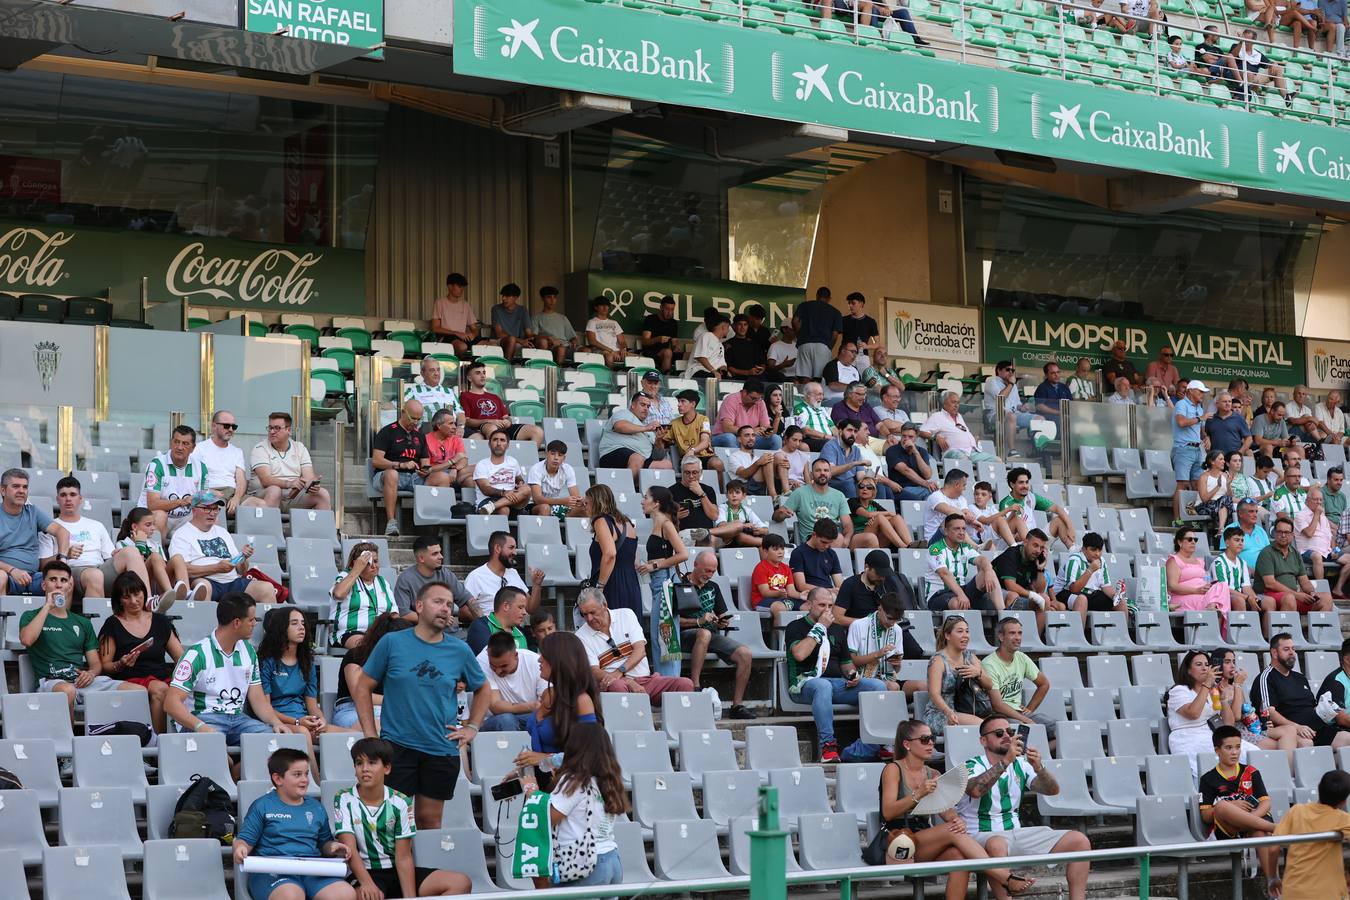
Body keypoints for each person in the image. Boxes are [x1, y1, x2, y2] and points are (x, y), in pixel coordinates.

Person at [354, 581, 490, 830]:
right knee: (392, 822)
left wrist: (472, 727)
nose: (446, 609)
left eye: (450, 604)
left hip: (441, 749)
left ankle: (424, 870)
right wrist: (370, 735)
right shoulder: (392, 643)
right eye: (438, 602)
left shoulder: (459, 650)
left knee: (429, 822)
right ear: (418, 605)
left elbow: (483, 689)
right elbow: (362, 686)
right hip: (397, 746)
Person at [879, 720, 1033, 896]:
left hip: (922, 840)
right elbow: (888, 812)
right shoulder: (893, 769)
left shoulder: (933, 774)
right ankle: (1004, 877)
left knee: (960, 858)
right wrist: (919, 794)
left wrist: (956, 820)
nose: (931, 743)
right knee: (952, 830)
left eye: (932, 738)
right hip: (896, 842)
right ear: (907, 744)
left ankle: (1002, 878)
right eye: (924, 739)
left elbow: (944, 809)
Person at [957, 715, 1091, 900]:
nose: (1006, 736)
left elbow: (1052, 790)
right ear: (983, 740)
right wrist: (1005, 762)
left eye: (1009, 732)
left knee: (1079, 841)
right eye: (998, 733)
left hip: (1015, 833)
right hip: (979, 836)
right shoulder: (971, 765)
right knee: (997, 843)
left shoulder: (1020, 763)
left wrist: (1039, 768)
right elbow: (976, 790)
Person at [335, 737, 471, 898]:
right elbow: (349, 850)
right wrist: (367, 884)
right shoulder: (343, 798)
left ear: (386, 768)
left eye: (372, 763)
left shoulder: (401, 801)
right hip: (365, 873)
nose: (365, 769)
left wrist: (410, 898)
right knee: (361, 896)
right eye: (359, 763)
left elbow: (404, 857)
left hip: (397, 872)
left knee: (460, 882)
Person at [21, 560, 137, 725]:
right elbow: (27, 639)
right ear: (43, 585)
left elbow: (95, 664)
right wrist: (47, 606)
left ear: (69, 585)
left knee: (137, 691)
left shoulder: (82, 622)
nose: (58, 585)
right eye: (53, 580)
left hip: (82, 682)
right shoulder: (31, 616)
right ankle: (68, 745)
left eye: (63, 580)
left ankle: (135, 742)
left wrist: (90, 674)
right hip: (52, 682)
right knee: (67, 691)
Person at [165, 592, 288, 742]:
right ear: (236, 623)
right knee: (216, 748)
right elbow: (171, 703)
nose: (255, 623)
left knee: (273, 741)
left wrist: (276, 723)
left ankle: (235, 766)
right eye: (251, 619)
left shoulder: (249, 652)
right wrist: (202, 728)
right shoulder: (197, 654)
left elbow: (258, 699)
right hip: (202, 719)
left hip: (238, 720)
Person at [520, 722, 628, 891]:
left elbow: (549, 817)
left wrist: (531, 789)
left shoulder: (574, 780)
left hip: (585, 864)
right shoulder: (608, 780)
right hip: (612, 860)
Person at [235, 749, 356, 900]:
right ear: (278, 779)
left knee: (345, 894)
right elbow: (244, 840)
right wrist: (240, 848)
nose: (305, 779)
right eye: (297, 774)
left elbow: (323, 843)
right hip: (272, 872)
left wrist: (332, 847)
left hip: (311, 871)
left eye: (306, 774)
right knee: (291, 895)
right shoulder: (262, 805)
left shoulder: (316, 807)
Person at [787, 587, 887, 761]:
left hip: (836, 684)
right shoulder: (795, 626)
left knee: (878, 686)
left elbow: (846, 663)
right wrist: (819, 627)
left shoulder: (837, 629)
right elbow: (799, 654)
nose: (827, 610)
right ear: (809, 605)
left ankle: (876, 742)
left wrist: (852, 675)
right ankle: (828, 746)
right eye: (821, 605)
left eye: (830, 606)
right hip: (805, 683)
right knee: (823, 685)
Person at [98, 571, 183, 732]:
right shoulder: (112, 624)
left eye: (137, 594)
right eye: (126, 597)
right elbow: (106, 666)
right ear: (119, 600)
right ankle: (158, 746)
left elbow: (181, 658)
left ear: (144, 592)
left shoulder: (161, 621)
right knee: (160, 689)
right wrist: (121, 663)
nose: (134, 601)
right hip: (129, 680)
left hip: (161, 679)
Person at [576, 587, 694, 701]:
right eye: (584, 614)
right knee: (617, 687)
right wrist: (627, 681)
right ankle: (634, 719)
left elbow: (640, 651)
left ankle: (674, 721)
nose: (589, 618)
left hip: (645, 681)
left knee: (685, 684)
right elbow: (594, 671)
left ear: (605, 605)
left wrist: (620, 672)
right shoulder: (581, 635)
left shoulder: (626, 615)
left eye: (592, 612)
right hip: (615, 684)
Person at [1198, 726, 1279, 885]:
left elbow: (1265, 801)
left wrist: (1250, 818)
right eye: (1229, 748)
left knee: (1259, 831)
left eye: (1238, 747)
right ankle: (1278, 829)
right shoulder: (1208, 779)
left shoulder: (1251, 771)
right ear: (1217, 750)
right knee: (1222, 806)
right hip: (1229, 828)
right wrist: (1232, 805)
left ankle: (1274, 884)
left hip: (1256, 823)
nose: (1234, 752)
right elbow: (1206, 815)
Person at [680, 551, 755, 719]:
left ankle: (737, 705)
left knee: (746, 654)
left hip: (709, 634)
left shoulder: (713, 587)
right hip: (684, 636)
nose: (709, 575)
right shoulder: (679, 585)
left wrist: (722, 622)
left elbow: (722, 614)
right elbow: (672, 621)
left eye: (713, 571)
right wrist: (699, 621)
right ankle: (695, 687)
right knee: (705, 633)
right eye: (706, 570)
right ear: (695, 565)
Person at [169, 490, 276, 603]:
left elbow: (241, 571)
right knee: (202, 586)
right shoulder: (181, 534)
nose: (212, 513)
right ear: (194, 509)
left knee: (267, 588)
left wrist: (243, 557)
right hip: (206, 580)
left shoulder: (222, 532)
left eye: (215, 509)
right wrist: (216, 568)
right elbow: (183, 569)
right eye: (207, 508)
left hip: (232, 581)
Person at [1252, 632, 1345, 749]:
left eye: (1293, 649)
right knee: (1307, 744)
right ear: (1274, 653)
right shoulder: (1266, 678)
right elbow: (1268, 712)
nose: (1292, 653)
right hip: (1292, 731)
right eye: (1286, 649)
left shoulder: (1300, 677)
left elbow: (1312, 706)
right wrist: (1297, 727)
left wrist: (1326, 709)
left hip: (1317, 728)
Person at [372, 399, 449, 535]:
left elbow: (425, 462)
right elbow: (377, 461)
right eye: (412, 418)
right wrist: (399, 464)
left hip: (414, 477)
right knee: (392, 474)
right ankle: (391, 522)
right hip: (388, 475)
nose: (415, 423)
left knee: (442, 478)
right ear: (403, 412)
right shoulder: (388, 431)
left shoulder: (419, 436)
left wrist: (425, 470)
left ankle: (435, 524)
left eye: (419, 420)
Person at [1272, 770, 1350, 900]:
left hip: (1293, 892)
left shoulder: (1296, 811)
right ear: (1343, 801)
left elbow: (1273, 848)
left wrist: (1272, 878)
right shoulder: (1343, 819)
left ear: (1319, 788)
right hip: (1328, 894)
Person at [258, 607, 332, 745]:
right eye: (294, 623)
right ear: (281, 628)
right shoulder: (266, 662)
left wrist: (321, 720)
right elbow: (265, 708)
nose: (301, 628)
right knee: (303, 733)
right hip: (279, 722)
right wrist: (297, 722)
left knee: (353, 734)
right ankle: (312, 768)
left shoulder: (306, 661)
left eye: (303, 623)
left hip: (305, 721)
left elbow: (312, 705)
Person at [637, 486, 688, 677]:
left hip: (665, 582)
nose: (642, 501)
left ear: (656, 503)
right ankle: (666, 681)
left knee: (665, 636)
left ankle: (671, 683)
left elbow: (683, 554)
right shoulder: (658, 523)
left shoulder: (666, 524)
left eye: (646, 497)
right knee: (660, 635)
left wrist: (655, 566)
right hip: (658, 582)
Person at [332, 614, 411, 731]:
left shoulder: (405, 662)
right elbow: (359, 695)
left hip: (392, 710)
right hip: (352, 709)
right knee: (385, 726)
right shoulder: (356, 655)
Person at [1212, 647, 1300, 752]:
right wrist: (1238, 685)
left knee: (1294, 733)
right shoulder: (1216, 689)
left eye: (1234, 662)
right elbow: (1236, 716)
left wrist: (1261, 722)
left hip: (1252, 728)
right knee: (1283, 746)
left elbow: (1245, 711)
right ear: (1217, 664)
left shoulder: (1234, 687)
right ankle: (1286, 767)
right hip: (1237, 733)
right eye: (1227, 662)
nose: (1233, 666)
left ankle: (1289, 767)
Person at [46, 475, 119, 600]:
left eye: (73, 495)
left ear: (80, 499)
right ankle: (97, 620)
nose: (68, 499)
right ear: (57, 499)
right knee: (94, 575)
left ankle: (149, 604)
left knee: (131, 553)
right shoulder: (50, 528)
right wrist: (64, 554)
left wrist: (119, 554)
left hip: (100, 569)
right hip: (71, 571)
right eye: (63, 495)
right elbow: (43, 564)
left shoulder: (97, 525)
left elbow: (109, 556)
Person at [846, 590, 924, 701]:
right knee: (893, 687)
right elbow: (851, 661)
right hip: (863, 678)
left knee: (923, 686)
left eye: (896, 620)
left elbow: (896, 670)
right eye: (889, 618)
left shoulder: (897, 629)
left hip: (887, 678)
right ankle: (892, 717)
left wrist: (897, 664)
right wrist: (877, 654)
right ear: (880, 609)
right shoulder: (858, 625)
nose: (892, 623)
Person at [925, 616, 994, 736]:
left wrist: (978, 673)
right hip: (941, 713)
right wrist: (948, 712)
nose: (965, 635)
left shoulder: (970, 656)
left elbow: (989, 684)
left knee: (995, 725)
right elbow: (934, 694)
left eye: (967, 631)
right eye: (960, 631)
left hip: (969, 710)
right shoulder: (938, 660)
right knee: (983, 726)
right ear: (947, 635)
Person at [138, 425, 209, 540]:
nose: (179, 447)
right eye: (176, 442)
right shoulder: (157, 464)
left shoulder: (201, 467)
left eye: (185, 444)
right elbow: (152, 504)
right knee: (161, 515)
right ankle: (156, 555)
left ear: (193, 447)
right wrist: (182, 502)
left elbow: (202, 501)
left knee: (211, 518)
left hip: (184, 518)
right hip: (153, 516)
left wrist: (212, 496)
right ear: (171, 443)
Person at [250, 412, 333, 511]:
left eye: (277, 428)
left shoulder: (300, 448)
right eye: (270, 428)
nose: (272, 432)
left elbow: (308, 477)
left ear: (288, 430)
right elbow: (266, 480)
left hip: (293, 495)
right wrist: (289, 484)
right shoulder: (260, 448)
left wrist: (312, 484)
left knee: (322, 494)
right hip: (264, 494)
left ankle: (319, 527)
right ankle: (267, 526)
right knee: (274, 490)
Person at [984, 617, 1054, 730]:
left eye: (1019, 633)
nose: (1017, 638)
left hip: (1020, 713)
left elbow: (1044, 684)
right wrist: (1026, 719)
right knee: (1023, 728)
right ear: (1001, 636)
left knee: (1056, 727)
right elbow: (997, 705)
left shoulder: (1022, 657)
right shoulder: (989, 664)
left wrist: (1029, 710)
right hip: (1000, 716)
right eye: (1012, 633)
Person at [1168, 650, 1232, 771]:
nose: (1204, 668)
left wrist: (1223, 699)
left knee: (1251, 751)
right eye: (1199, 665)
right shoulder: (1179, 691)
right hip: (1188, 738)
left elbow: (1229, 724)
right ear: (1188, 670)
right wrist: (1207, 684)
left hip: (1212, 736)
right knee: (1221, 759)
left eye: (1207, 665)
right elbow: (1193, 714)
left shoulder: (1211, 691)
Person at [925, 514, 1004, 612]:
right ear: (946, 531)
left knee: (989, 571)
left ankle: (1003, 614)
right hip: (939, 594)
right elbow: (944, 574)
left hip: (963, 590)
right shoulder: (935, 549)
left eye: (963, 529)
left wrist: (987, 571)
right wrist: (961, 594)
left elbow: (982, 560)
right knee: (958, 604)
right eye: (957, 529)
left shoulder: (965, 547)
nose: (962, 532)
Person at [586, 483, 642, 619]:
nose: (585, 508)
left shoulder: (601, 521)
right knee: (630, 631)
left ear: (595, 502)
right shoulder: (627, 523)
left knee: (610, 630)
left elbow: (610, 553)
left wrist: (600, 587)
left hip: (611, 582)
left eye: (587, 503)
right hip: (631, 582)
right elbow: (635, 558)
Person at [1256, 519, 1334, 613]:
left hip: (1292, 596)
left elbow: (1304, 581)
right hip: (1269, 595)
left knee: (1326, 598)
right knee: (1290, 598)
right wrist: (1296, 595)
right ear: (1274, 533)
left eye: (1286, 532)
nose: (1283, 535)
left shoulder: (1295, 553)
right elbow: (1270, 583)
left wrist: (1311, 593)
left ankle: (1319, 627)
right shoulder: (1267, 552)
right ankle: (1285, 627)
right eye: (1280, 532)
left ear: (1292, 535)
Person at [392, 536, 476, 623]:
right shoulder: (406, 579)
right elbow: (403, 614)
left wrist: (484, 622)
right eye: (435, 554)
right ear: (421, 558)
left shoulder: (446, 574)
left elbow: (468, 600)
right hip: (422, 634)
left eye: (440, 552)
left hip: (451, 632)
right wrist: (435, 620)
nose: (441, 556)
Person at [191, 409, 260, 513]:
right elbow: (192, 478)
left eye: (234, 427)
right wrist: (208, 491)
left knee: (261, 505)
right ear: (214, 426)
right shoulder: (199, 449)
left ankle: (241, 528)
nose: (231, 429)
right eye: (226, 426)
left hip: (232, 493)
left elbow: (241, 481)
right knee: (217, 505)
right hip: (211, 492)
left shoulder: (237, 451)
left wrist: (236, 498)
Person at [332, 542, 398, 651]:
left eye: (376, 561)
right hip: (351, 632)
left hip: (381, 633)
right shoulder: (346, 577)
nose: (374, 566)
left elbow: (394, 613)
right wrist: (356, 570)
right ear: (356, 564)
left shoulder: (383, 582)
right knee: (369, 645)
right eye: (367, 563)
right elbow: (338, 594)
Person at [113, 506, 187, 604]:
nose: (153, 528)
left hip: (159, 583)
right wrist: (140, 545)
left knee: (177, 558)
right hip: (138, 585)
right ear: (134, 527)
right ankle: (170, 593)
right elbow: (134, 569)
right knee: (155, 557)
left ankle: (187, 593)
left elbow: (163, 567)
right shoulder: (122, 544)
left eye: (153, 524)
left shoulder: (155, 544)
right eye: (148, 525)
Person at [776, 458, 857, 546]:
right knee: (838, 538)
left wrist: (847, 539)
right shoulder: (800, 493)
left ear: (830, 474)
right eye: (818, 470)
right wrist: (782, 514)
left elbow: (848, 524)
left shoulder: (839, 495)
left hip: (833, 539)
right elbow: (776, 516)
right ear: (811, 474)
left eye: (826, 470)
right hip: (810, 540)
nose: (822, 473)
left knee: (839, 538)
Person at [477, 630, 546, 733]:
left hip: (527, 717)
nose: (498, 671)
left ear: (516, 655)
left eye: (504, 666)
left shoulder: (534, 661)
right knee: (506, 720)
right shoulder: (482, 660)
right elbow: (495, 706)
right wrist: (532, 706)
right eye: (493, 666)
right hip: (494, 721)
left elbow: (545, 705)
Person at [460, 361, 544, 445]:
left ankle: (528, 458)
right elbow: (467, 421)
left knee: (537, 431)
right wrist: (490, 421)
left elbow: (506, 417)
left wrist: (508, 422)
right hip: (484, 428)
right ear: (470, 378)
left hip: (503, 428)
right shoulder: (465, 396)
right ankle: (497, 457)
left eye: (484, 373)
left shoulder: (495, 397)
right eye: (478, 373)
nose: (482, 376)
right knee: (492, 429)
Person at [464, 531, 542, 618]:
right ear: (497, 548)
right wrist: (488, 623)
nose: (515, 553)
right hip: (489, 629)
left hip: (514, 629)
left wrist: (536, 585)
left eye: (515, 548)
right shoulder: (476, 576)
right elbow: (463, 611)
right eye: (511, 548)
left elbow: (530, 609)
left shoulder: (513, 573)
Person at [1053, 532, 1124, 623]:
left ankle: (1122, 636)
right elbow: (1074, 589)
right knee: (1082, 599)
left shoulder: (1101, 561)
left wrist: (1116, 596)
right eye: (1093, 550)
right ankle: (1078, 636)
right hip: (1063, 593)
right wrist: (1090, 570)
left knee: (1120, 603)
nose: (1097, 554)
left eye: (1099, 550)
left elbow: (1106, 586)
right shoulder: (1074, 560)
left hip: (1088, 594)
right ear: (1084, 549)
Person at [1166, 527, 1232, 624]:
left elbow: (1205, 580)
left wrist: (1207, 587)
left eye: (1195, 540)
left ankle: (1211, 609)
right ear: (1179, 542)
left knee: (1222, 585)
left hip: (1201, 594)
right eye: (1189, 539)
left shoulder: (1200, 561)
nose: (1193, 542)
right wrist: (1196, 590)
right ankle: (1214, 627)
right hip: (1183, 597)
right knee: (1218, 603)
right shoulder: (1174, 560)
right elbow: (1172, 586)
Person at [999, 467, 1076, 549]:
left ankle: (1073, 551)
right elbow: (1010, 533)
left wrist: (1071, 528)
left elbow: (1057, 509)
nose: (1025, 486)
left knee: (1059, 520)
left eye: (1027, 482)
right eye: (1021, 482)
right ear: (1012, 484)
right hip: (1021, 545)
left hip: (1037, 539)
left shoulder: (1031, 497)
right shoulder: (1005, 503)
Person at [597, 392, 671, 477]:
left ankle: (644, 489)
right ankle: (626, 488)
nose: (646, 409)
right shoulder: (624, 413)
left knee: (666, 465)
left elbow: (658, 457)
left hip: (641, 458)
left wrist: (658, 440)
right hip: (613, 453)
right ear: (633, 405)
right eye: (642, 405)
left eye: (648, 406)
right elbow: (620, 426)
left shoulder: (649, 430)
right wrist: (646, 428)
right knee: (637, 458)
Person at [1295, 486, 1350, 591]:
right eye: (1316, 499)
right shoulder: (1300, 516)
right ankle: (1321, 590)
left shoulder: (1323, 517)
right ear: (1307, 501)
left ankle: (1337, 589)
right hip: (1306, 551)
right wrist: (1316, 514)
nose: (1319, 502)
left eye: (1320, 500)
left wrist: (1334, 550)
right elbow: (1309, 533)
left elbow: (1330, 537)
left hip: (1326, 551)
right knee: (1316, 556)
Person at [1172, 380, 1211, 525]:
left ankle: (1192, 517)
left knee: (1197, 484)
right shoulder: (1181, 404)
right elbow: (1181, 422)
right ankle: (1177, 519)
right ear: (1190, 391)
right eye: (1200, 391)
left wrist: (1206, 437)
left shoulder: (1199, 408)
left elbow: (1200, 430)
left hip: (1197, 449)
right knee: (1181, 484)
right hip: (1183, 448)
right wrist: (1200, 418)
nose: (1202, 395)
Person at [993, 531, 1053, 625]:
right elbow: (1010, 585)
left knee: (1044, 599)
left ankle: (1035, 638)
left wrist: (1040, 569)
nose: (1038, 551)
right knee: (1013, 596)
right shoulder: (1011, 554)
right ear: (1025, 542)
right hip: (993, 593)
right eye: (1035, 545)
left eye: (1041, 548)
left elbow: (1040, 590)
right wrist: (1033, 595)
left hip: (1017, 595)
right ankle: (1009, 635)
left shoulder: (1034, 557)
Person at [1212, 527, 1271, 622]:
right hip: (1224, 597)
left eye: (1242, 540)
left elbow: (1246, 587)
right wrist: (1247, 598)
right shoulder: (1218, 562)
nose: (1240, 543)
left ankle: (1266, 635)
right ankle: (1240, 635)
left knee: (1269, 601)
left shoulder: (1242, 562)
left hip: (1241, 596)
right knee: (1239, 600)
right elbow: (1223, 589)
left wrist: (1254, 598)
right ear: (1227, 543)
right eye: (1236, 540)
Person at [669, 390, 724, 483]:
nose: (679, 405)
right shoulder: (674, 423)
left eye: (682, 401)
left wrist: (692, 451)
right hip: (687, 459)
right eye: (678, 402)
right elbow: (666, 442)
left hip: (706, 456)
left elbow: (705, 442)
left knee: (717, 463)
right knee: (691, 466)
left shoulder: (704, 419)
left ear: (693, 404)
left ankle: (720, 493)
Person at [472, 430, 529, 516]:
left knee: (527, 489)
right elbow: (485, 489)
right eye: (495, 440)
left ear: (508, 445)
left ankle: (493, 506)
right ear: (489, 444)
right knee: (503, 509)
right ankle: (491, 508)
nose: (499, 443)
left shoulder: (513, 462)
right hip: (488, 500)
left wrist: (520, 483)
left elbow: (518, 478)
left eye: (502, 440)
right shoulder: (482, 465)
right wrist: (504, 493)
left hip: (512, 500)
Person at [791, 285, 842, 380]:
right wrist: (829, 347)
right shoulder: (835, 312)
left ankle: (806, 394)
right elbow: (834, 335)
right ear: (829, 299)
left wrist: (800, 336)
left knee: (804, 377)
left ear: (816, 295)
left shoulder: (804, 305)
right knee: (819, 378)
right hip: (823, 346)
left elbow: (795, 321)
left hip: (804, 344)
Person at [713, 380, 781, 451]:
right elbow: (727, 428)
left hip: (749, 438)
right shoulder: (731, 400)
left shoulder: (760, 402)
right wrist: (751, 431)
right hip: (726, 437)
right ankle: (737, 461)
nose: (756, 402)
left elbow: (766, 426)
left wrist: (766, 431)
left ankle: (775, 461)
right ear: (744, 393)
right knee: (729, 438)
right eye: (753, 398)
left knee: (776, 439)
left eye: (759, 398)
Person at [751, 532, 807, 617]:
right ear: (766, 551)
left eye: (782, 549)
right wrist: (778, 594)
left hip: (782, 599)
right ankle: (778, 630)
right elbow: (765, 592)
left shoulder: (786, 568)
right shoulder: (761, 568)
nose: (780, 552)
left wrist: (801, 595)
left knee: (808, 606)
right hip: (762, 601)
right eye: (775, 549)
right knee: (779, 608)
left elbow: (791, 591)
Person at [849, 478, 914, 550]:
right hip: (858, 538)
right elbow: (868, 514)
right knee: (879, 517)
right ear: (858, 490)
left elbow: (891, 516)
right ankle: (902, 546)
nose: (865, 489)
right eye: (861, 486)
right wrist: (879, 517)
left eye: (869, 487)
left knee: (897, 518)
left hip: (875, 539)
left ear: (873, 491)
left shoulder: (873, 504)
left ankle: (910, 544)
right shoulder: (852, 501)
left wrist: (875, 519)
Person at [465, 586, 529, 657]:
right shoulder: (480, 627)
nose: (524, 612)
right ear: (506, 606)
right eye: (520, 607)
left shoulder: (520, 633)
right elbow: (491, 658)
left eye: (524, 608)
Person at [920, 391, 984, 462]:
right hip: (953, 452)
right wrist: (935, 437)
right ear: (945, 404)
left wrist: (972, 439)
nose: (956, 405)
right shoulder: (937, 416)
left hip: (971, 452)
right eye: (954, 402)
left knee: (997, 461)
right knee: (965, 460)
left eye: (958, 403)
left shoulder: (959, 416)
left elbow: (962, 432)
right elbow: (921, 431)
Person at [790, 518, 846, 598]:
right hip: (810, 595)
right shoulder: (798, 553)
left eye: (830, 543)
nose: (826, 546)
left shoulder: (831, 553)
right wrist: (828, 591)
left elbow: (839, 583)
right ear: (814, 535)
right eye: (823, 542)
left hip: (830, 595)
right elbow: (801, 586)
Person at [921, 469, 977, 545]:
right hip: (935, 541)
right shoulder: (935, 496)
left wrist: (973, 521)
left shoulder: (961, 499)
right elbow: (950, 511)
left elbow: (967, 513)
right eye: (964, 485)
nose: (965, 488)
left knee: (960, 523)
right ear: (957, 485)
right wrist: (965, 517)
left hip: (954, 538)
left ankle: (976, 545)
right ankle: (975, 546)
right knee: (953, 521)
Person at [886, 423, 937, 502]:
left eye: (910, 437)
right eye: (904, 436)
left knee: (939, 494)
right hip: (901, 489)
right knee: (929, 493)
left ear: (916, 438)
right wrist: (926, 484)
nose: (906, 439)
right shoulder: (892, 451)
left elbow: (927, 475)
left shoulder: (922, 451)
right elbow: (906, 471)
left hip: (920, 488)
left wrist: (916, 452)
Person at [423, 408, 473, 490]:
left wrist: (454, 469)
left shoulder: (456, 439)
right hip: (435, 475)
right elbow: (426, 469)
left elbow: (464, 459)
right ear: (439, 425)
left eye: (454, 423)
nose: (454, 427)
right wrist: (451, 462)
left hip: (454, 474)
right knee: (444, 476)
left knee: (476, 472)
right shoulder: (426, 440)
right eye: (451, 423)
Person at [430, 272, 477, 356]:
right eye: (459, 286)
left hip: (463, 337)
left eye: (463, 287)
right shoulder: (440, 303)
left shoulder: (465, 305)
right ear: (450, 286)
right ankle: (456, 367)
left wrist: (473, 335)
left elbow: (474, 328)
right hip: (446, 337)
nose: (462, 289)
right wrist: (455, 333)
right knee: (462, 347)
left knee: (491, 345)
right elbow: (435, 328)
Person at [404, 357, 463, 423]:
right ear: (422, 373)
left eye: (438, 370)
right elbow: (396, 405)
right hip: (426, 429)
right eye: (432, 370)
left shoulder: (449, 391)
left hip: (450, 430)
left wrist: (461, 427)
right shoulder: (413, 391)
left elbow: (460, 413)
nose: (436, 373)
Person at [488, 283, 536, 361]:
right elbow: (499, 333)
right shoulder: (496, 309)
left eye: (507, 296)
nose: (503, 298)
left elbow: (529, 332)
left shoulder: (522, 310)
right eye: (503, 295)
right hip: (498, 340)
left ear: (515, 297)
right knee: (511, 340)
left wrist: (537, 338)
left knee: (539, 342)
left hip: (517, 341)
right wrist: (521, 341)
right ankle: (507, 366)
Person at [715, 480, 768, 547]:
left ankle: (767, 543)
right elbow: (721, 526)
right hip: (727, 540)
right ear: (726, 495)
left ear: (744, 495)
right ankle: (768, 543)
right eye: (730, 492)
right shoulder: (722, 508)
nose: (734, 495)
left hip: (746, 540)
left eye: (737, 492)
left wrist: (760, 530)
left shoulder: (747, 510)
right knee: (741, 536)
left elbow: (765, 529)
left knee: (761, 546)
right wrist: (743, 525)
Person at [533, 285, 579, 366]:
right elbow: (533, 336)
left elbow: (572, 337)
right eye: (549, 297)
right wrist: (548, 338)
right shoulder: (536, 318)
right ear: (542, 299)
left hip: (566, 346)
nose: (552, 300)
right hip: (550, 347)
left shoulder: (563, 318)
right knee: (561, 349)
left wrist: (574, 341)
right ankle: (559, 374)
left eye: (554, 297)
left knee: (586, 351)